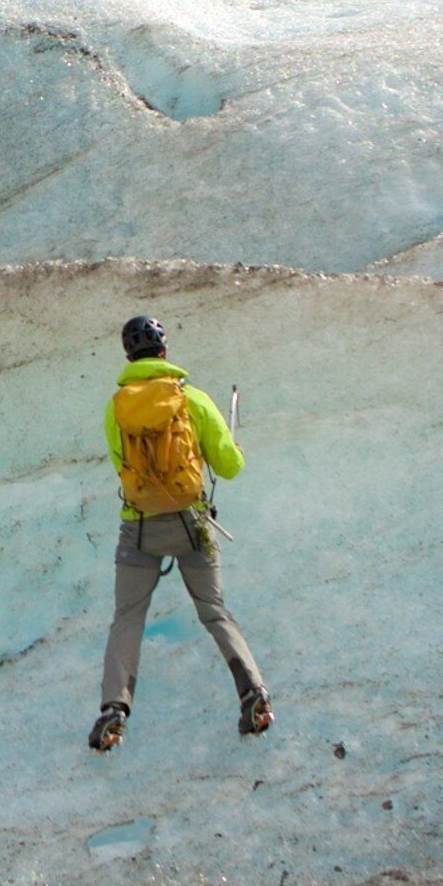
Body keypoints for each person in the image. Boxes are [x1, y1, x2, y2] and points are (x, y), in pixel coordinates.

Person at [89, 313, 267, 751]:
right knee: (214, 611)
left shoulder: (116, 409)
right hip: (192, 524)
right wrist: (231, 449)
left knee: (128, 618)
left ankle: (114, 710)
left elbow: (123, 467)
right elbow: (230, 466)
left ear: (128, 356)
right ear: (165, 352)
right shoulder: (194, 401)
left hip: (140, 528)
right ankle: (254, 695)